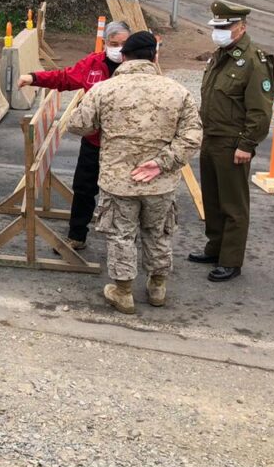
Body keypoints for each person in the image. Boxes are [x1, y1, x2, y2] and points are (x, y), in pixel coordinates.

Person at [67, 31, 203, 314]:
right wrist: (162, 162)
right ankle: (157, 287)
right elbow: (192, 136)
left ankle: (123, 291)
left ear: (124, 57)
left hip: (119, 182)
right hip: (160, 182)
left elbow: (78, 124)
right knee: (158, 233)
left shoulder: (104, 89)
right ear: (154, 56)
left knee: (121, 234)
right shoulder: (177, 91)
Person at [17, 20, 131, 251]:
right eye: (113, 43)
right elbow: (65, 78)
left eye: (124, 44)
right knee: (83, 188)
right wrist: (34, 77)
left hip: (124, 146)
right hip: (94, 141)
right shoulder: (93, 63)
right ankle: (76, 235)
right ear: (105, 43)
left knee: (124, 195)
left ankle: (125, 244)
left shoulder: (138, 67)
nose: (119, 49)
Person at [188, 1, 274, 282]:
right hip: (211, 137)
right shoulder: (220, 56)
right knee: (212, 200)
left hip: (232, 142)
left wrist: (247, 144)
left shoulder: (254, 60)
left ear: (242, 27)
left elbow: (260, 110)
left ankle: (231, 259)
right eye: (218, 27)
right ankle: (214, 248)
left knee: (233, 204)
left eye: (226, 27)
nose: (220, 31)